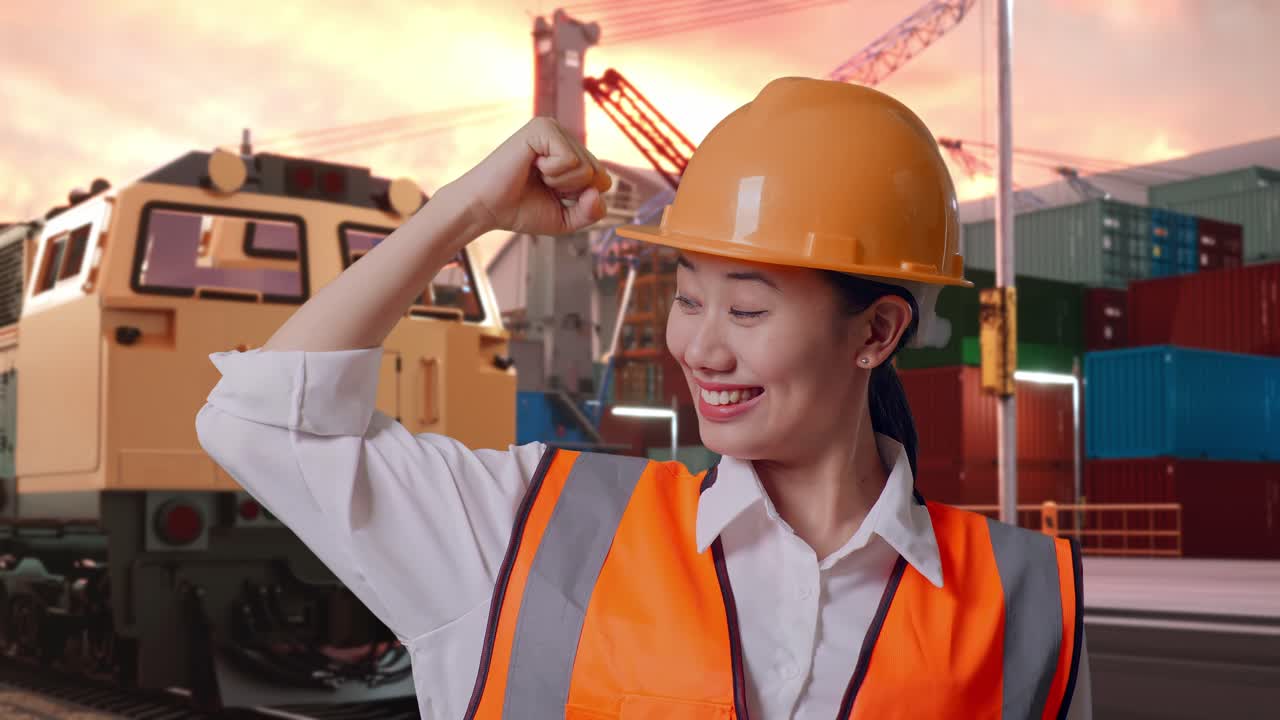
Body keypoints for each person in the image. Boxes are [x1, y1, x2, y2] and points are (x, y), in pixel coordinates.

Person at [196, 77, 1091, 719]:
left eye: (746, 307)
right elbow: (263, 420)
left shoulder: (1028, 603)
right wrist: (466, 211)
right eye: (689, 297)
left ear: (876, 333)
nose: (698, 346)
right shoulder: (526, 530)